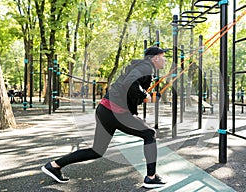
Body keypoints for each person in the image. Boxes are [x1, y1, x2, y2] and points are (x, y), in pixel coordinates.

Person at [41, 46, 167, 189]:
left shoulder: (140, 67)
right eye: (163, 56)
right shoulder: (146, 67)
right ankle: (151, 178)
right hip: (116, 113)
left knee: (97, 151)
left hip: (105, 110)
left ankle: (54, 166)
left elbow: (128, 89)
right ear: (155, 58)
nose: (165, 60)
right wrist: (146, 95)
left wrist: (146, 97)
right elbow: (131, 83)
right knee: (149, 134)